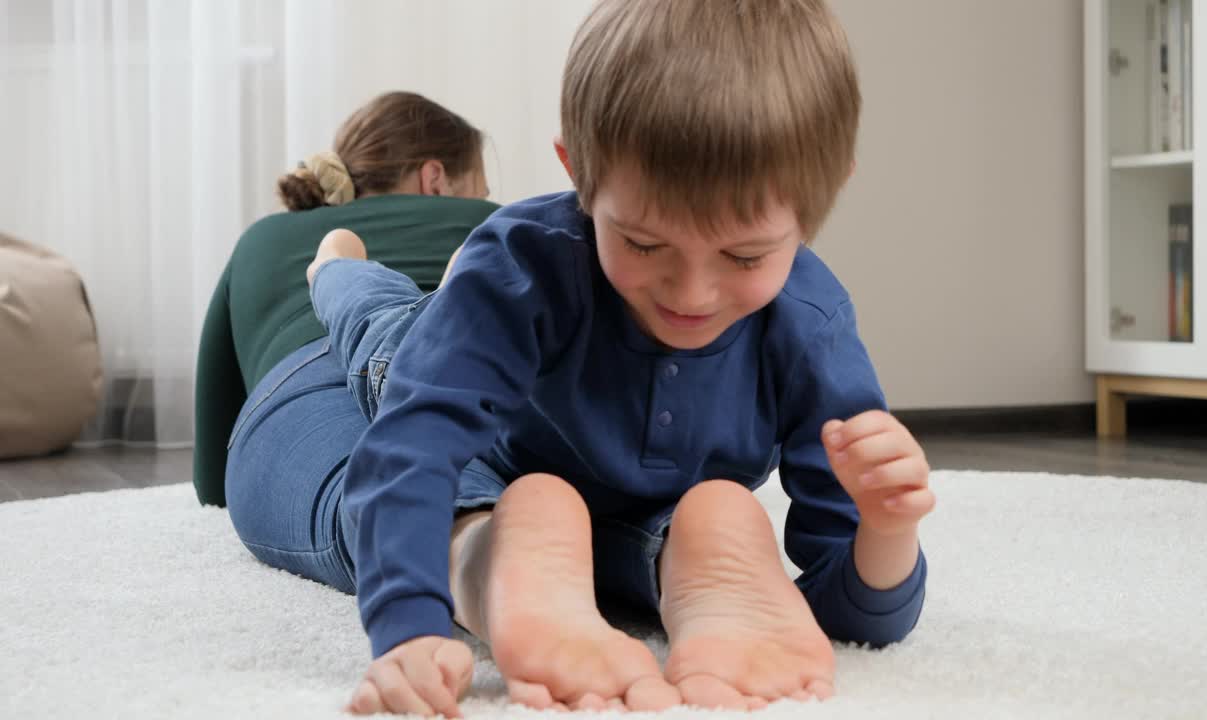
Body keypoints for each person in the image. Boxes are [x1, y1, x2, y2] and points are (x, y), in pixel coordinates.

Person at [300, 1, 936, 716]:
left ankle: (658, 547)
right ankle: (335, 268)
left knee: (682, 517)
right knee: (377, 331)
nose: (692, 294)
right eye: (642, 243)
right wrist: (408, 632)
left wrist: (888, 531)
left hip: (639, 508)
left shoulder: (811, 325)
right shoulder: (520, 265)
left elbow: (857, 617)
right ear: (577, 172)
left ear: (822, 199)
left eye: (745, 255)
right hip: (466, 419)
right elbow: (413, 446)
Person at [193, 91, 497, 509]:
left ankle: (468, 532)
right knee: (473, 463)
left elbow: (210, 475)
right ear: (434, 178)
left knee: (373, 499)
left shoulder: (262, 240)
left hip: (303, 383)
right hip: (460, 373)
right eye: (478, 192)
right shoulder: (495, 225)